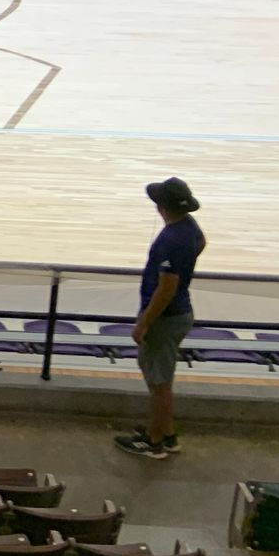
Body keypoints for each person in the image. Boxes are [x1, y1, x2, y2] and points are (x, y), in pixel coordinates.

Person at [115, 176, 205, 460]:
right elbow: (201, 243)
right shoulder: (189, 227)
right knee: (161, 378)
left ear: (162, 207)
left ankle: (154, 443)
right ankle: (167, 434)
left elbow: (166, 288)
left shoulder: (170, 240)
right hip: (180, 313)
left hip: (164, 320)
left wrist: (144, 322)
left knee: (159, 384)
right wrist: (186, 263)